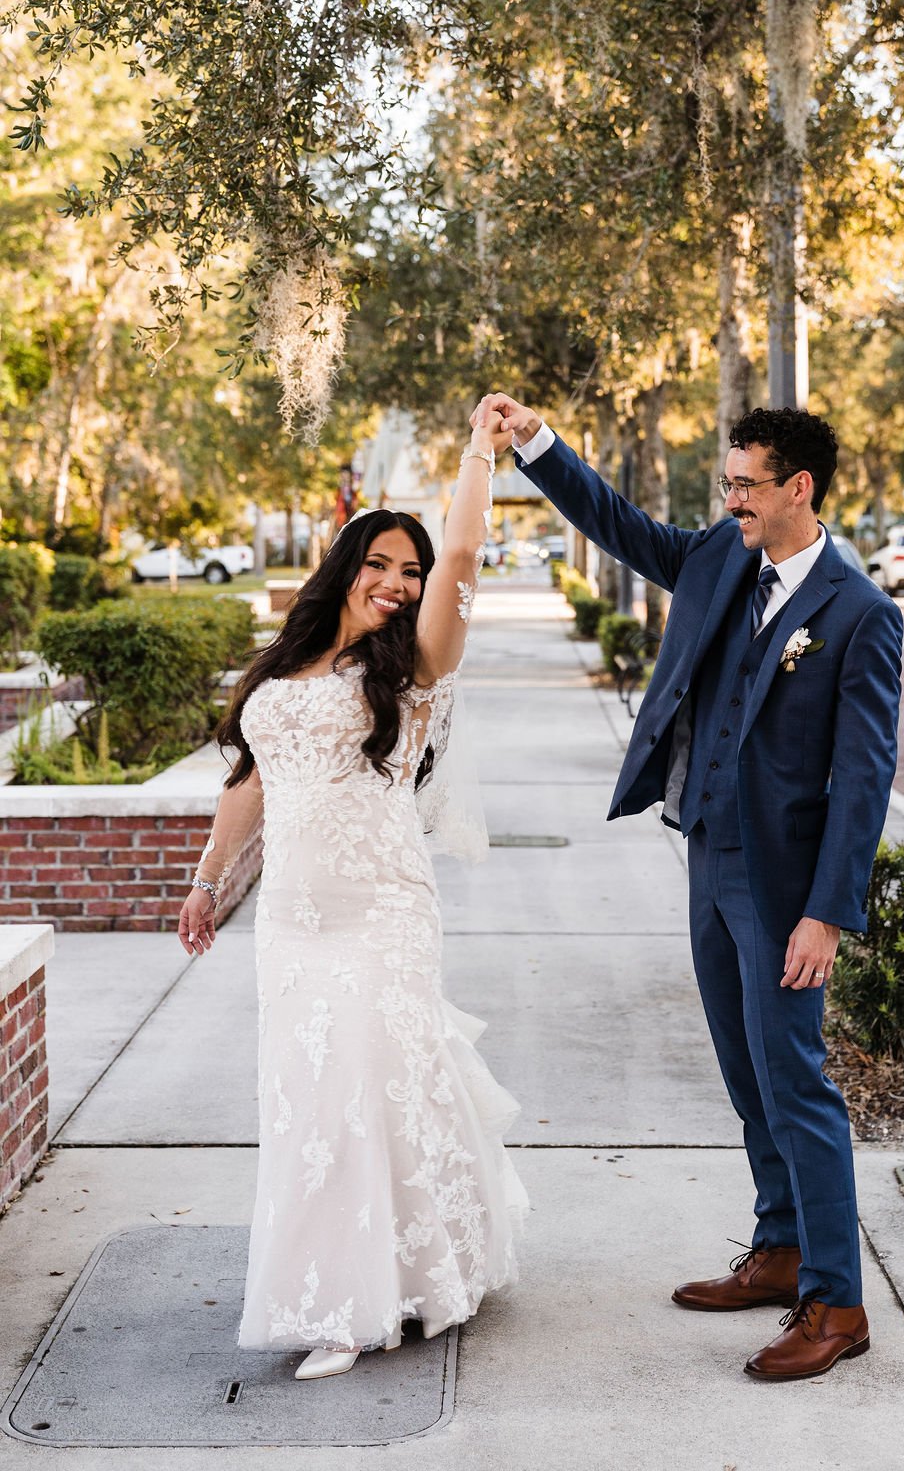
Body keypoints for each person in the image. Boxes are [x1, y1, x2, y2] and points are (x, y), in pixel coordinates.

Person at [474, 393, 902, 1382]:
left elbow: (862, 780)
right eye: (727, 484)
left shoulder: (861, 615)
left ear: (798, 488)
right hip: (706, 854)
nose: (731, 500)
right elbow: (618, 524)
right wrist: (536, 443)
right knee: (746, 1074)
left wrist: (826, 914)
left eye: (746, 486)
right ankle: (780, 1246)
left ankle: (837, 1302)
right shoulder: (718, 557)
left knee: (796, 1083)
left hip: (785, 885)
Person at [176, 408, 527, 1382]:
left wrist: (478, 454)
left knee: (362, 1095)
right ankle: (368, 1274)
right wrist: (207, 881)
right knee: (309, 1103)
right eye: (378, 564)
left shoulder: (414, 667)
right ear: (344, 568)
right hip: (292, 922)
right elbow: (250, 781)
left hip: (382, 913)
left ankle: (352, 1309)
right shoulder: (283, 667)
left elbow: (463, 556)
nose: (397, 583)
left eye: (409, 571)